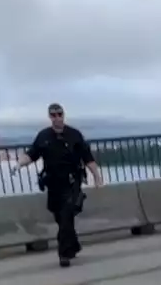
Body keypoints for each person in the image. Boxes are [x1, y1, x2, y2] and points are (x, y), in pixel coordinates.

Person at [11, 103, 104, 268]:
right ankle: (73, 245)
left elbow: (88, 158)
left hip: (72, 182)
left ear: (64, 115)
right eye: (53, 115)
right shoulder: (43, 136)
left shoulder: (74, 135)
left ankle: (64, 254)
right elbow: (31, 155)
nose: (57, 118)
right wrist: (18, 165)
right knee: (60, 218)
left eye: (59, 114)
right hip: (53, 184)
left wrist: (97, 176)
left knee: (67, 215)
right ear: (50, 117)